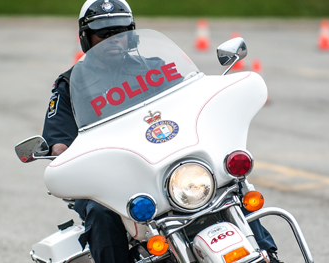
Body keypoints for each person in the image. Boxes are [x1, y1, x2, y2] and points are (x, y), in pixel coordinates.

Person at [41, 1, 281, 262]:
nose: (114, 40)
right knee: (100, 212)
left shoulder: (156, 68)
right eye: (104, 34)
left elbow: (192, 100)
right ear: (86, 37)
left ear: (131, 35)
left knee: (228, 180)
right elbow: (58, 142)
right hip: (112, 177)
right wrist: (63, 155)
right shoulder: (70, 86)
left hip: (165, 161)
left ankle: (267, 252)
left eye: (120, 33)